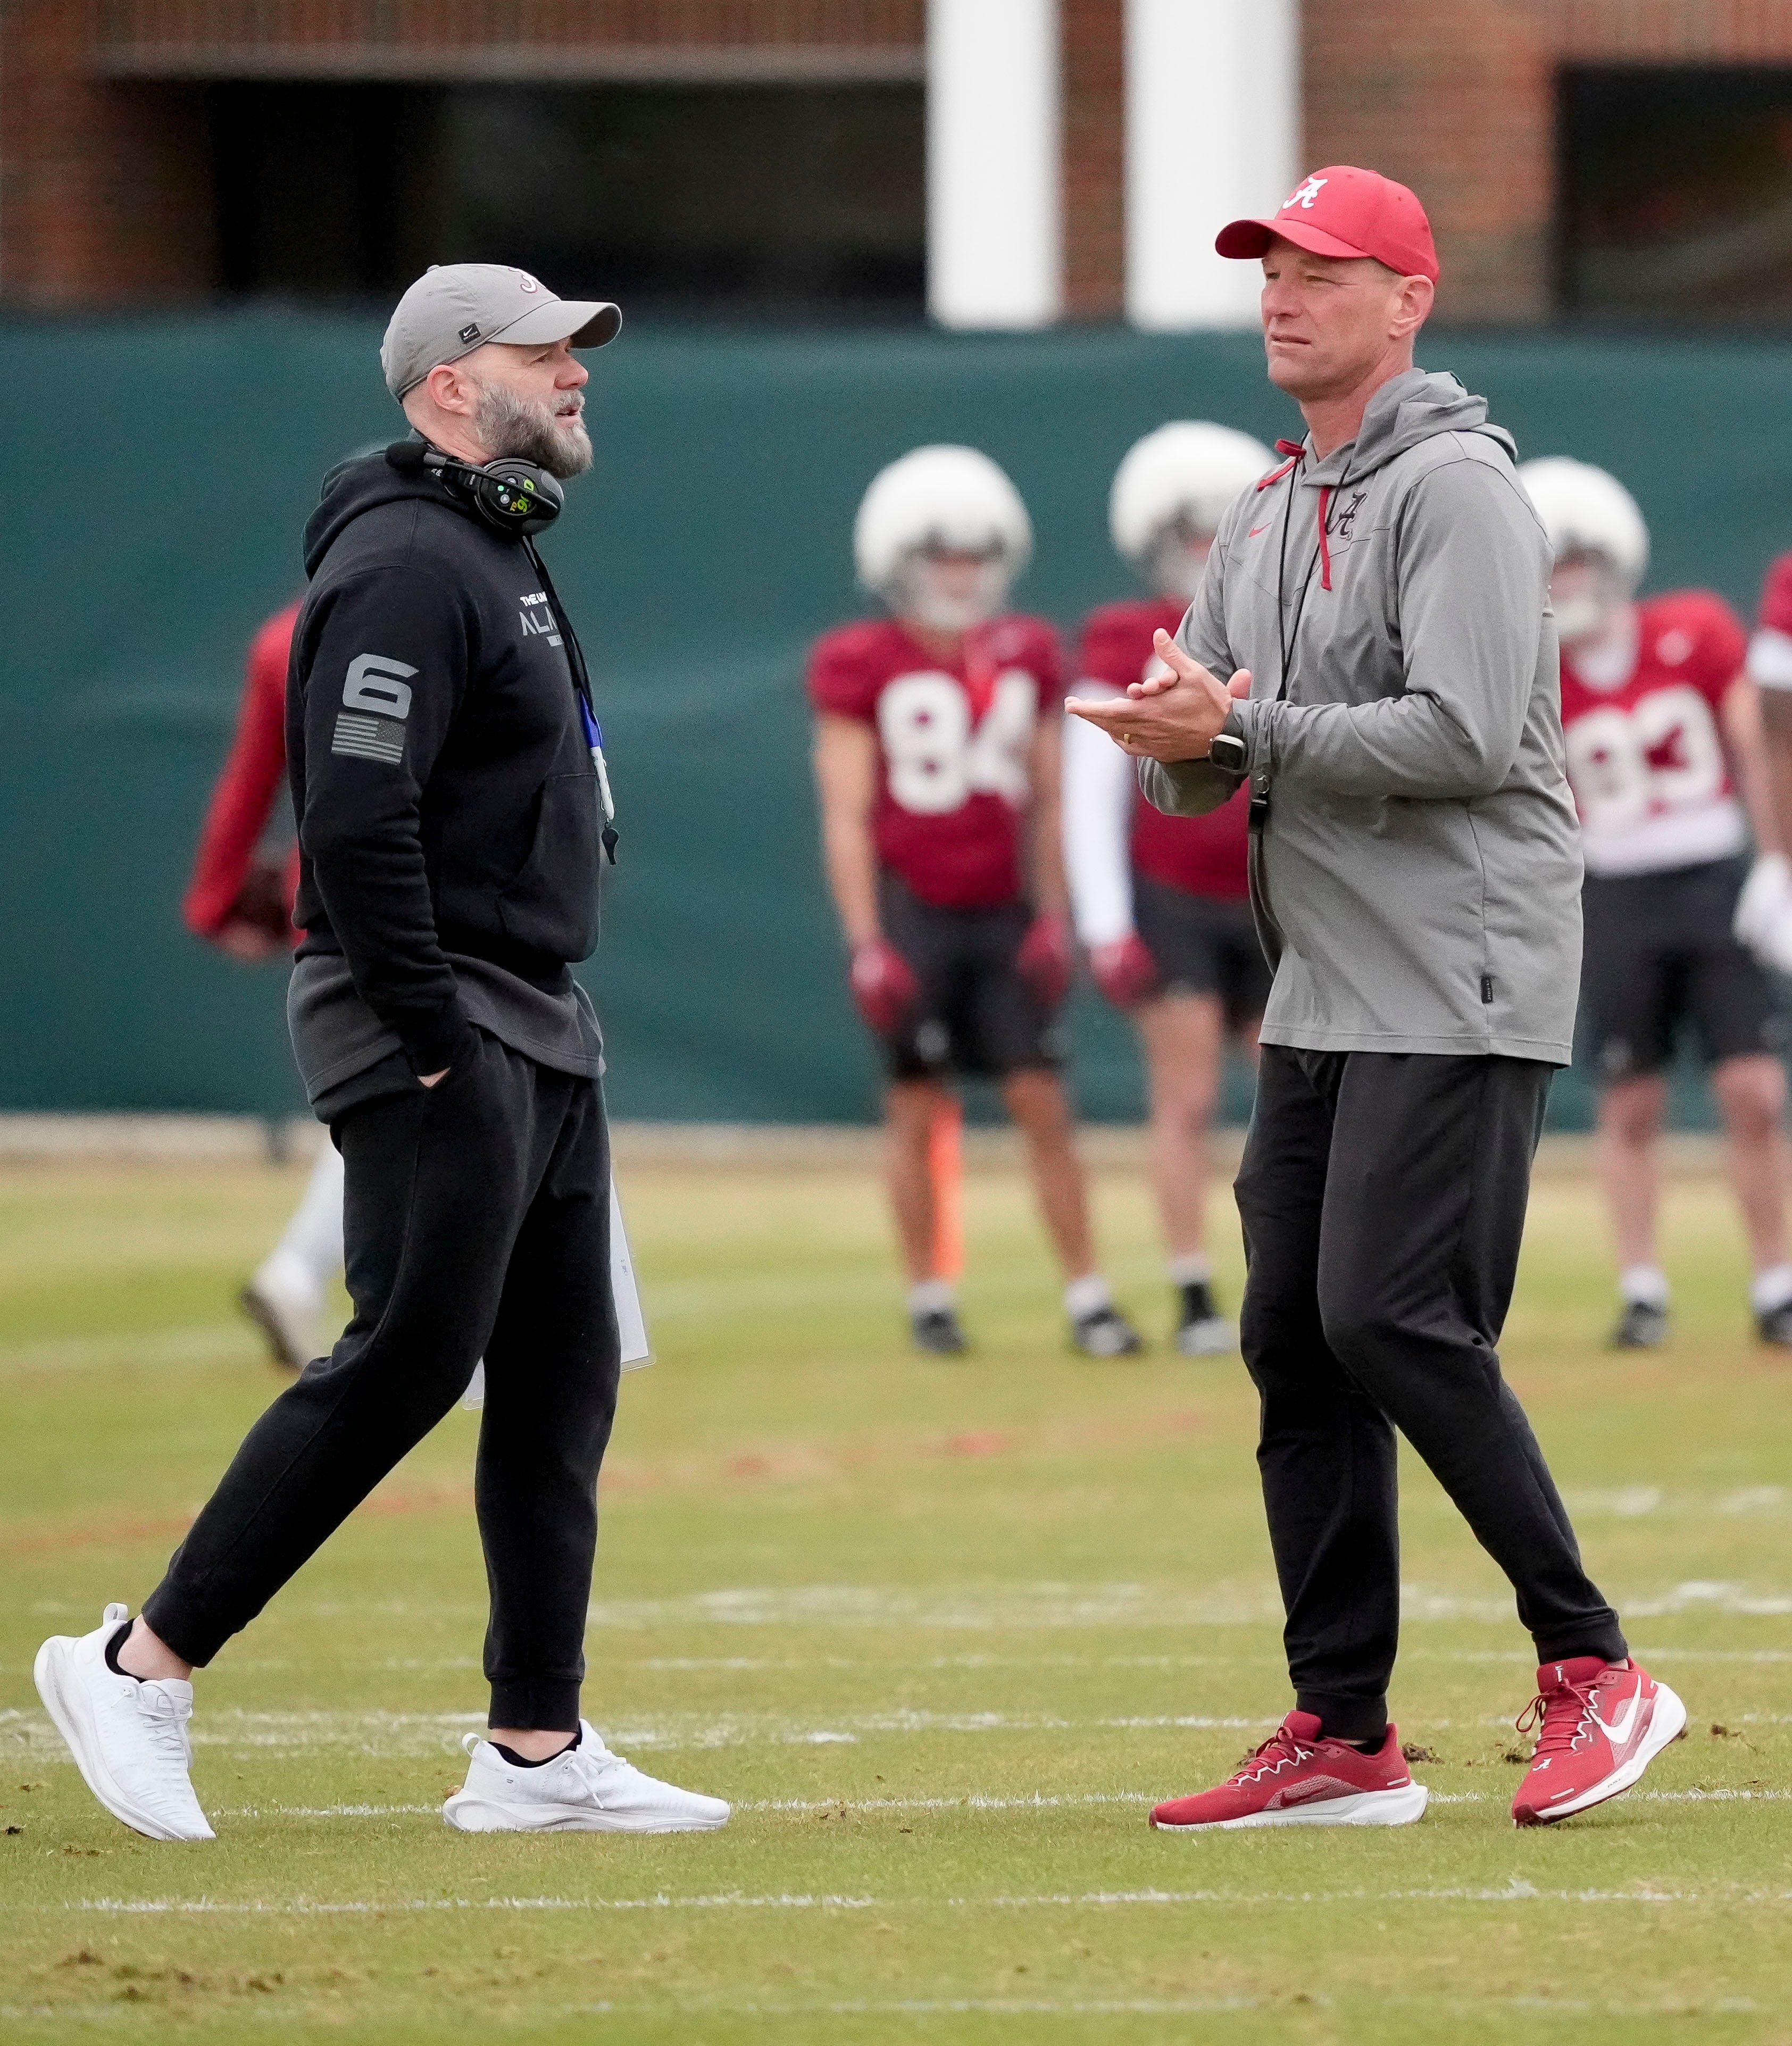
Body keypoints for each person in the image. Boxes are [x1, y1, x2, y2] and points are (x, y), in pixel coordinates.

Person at [35, 263, 727, 1841]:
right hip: (438, 1012)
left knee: (558, 1379)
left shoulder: (493, 540)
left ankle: (534, 1748)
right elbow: (353, 815)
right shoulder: (409, 557)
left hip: (533, 1008)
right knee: (411, 1351)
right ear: (448, 382)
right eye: (544, 353)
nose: (578, 374)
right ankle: (140, 1663)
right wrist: (430, 1035)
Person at [1068, 166, 1684, 1829]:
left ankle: (1595, 1666)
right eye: (1269, 271)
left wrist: (1235, 734)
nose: (1282, 297)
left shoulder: (1462, 487)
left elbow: (1464, 736)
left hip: (1459, 971)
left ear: (1407, 302)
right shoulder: (1265, 506)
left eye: (1322, 273)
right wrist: (1170, 739)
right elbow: (1207, 754)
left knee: (1390, 1318)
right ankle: (1342, 1731)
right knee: (1293, 1335)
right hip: (1327, 988)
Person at [809, 445, 1142, 1358]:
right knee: (917, 1106)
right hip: (914, 909)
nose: (959, 576)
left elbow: (1051, 799)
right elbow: (845, 813)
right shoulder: (861, 660)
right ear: (897, 560)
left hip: (1002, 915)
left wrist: (1053, 916)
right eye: (941, 556)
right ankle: (928, 1295)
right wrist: (865, 939)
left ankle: (1087, 1295)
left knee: (1044, 1103)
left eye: (973, 556)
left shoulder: (1024, 650)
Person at [1519, 457, 1792, 1350]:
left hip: (1711, 879)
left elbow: (1753, 740)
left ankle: (1776, 1282)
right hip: (1611, 893)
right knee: (1630, 1097)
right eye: (1550, 568)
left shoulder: (1694, 629)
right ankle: (1641, 1287)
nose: (1566, 583)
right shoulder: (1534, 673)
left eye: (1576, 562)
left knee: (1752, 1090)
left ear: (1613, 558)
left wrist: (1776, 862)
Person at [1063, 423, 1276, 1354]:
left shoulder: (1277, 624)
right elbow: (1089, 786)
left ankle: (1296, 1275)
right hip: (1173, 894)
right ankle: (1193, 1290)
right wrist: (1107, 922)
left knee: (1296, 1097)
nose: (1203, 548)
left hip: (1271, 888)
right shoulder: (1125, 634)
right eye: (1189, 529)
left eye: (1215, 528)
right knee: (1186, 1099)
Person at [184, 600, 346, 1372]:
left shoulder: (285, 636)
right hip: (430, 912)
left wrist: (215, 898)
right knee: (422, 1112)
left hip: (324, 908)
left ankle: (298, 1275)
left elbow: (248, 781)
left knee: (393, 1115)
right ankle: (298, 1276)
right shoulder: (458, 602)